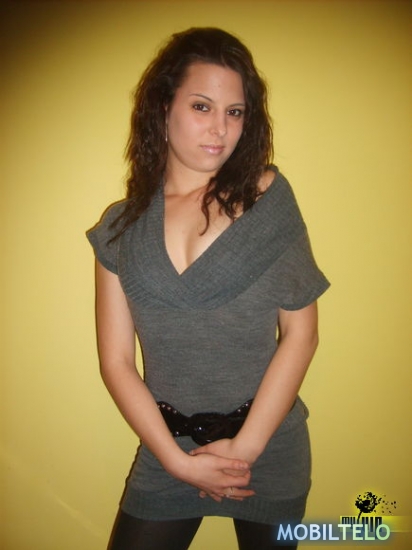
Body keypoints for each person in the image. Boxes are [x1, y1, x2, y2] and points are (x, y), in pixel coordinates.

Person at [87, 27, 330, 550]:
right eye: (202, 106)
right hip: (167, 452)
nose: (220, 128)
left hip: (268, 448)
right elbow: (116, 362)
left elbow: (302, 334)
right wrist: (177, 462)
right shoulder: (119, 229)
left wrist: (245, 450)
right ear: (163, 108)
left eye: (234, 112)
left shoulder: (268, 201)